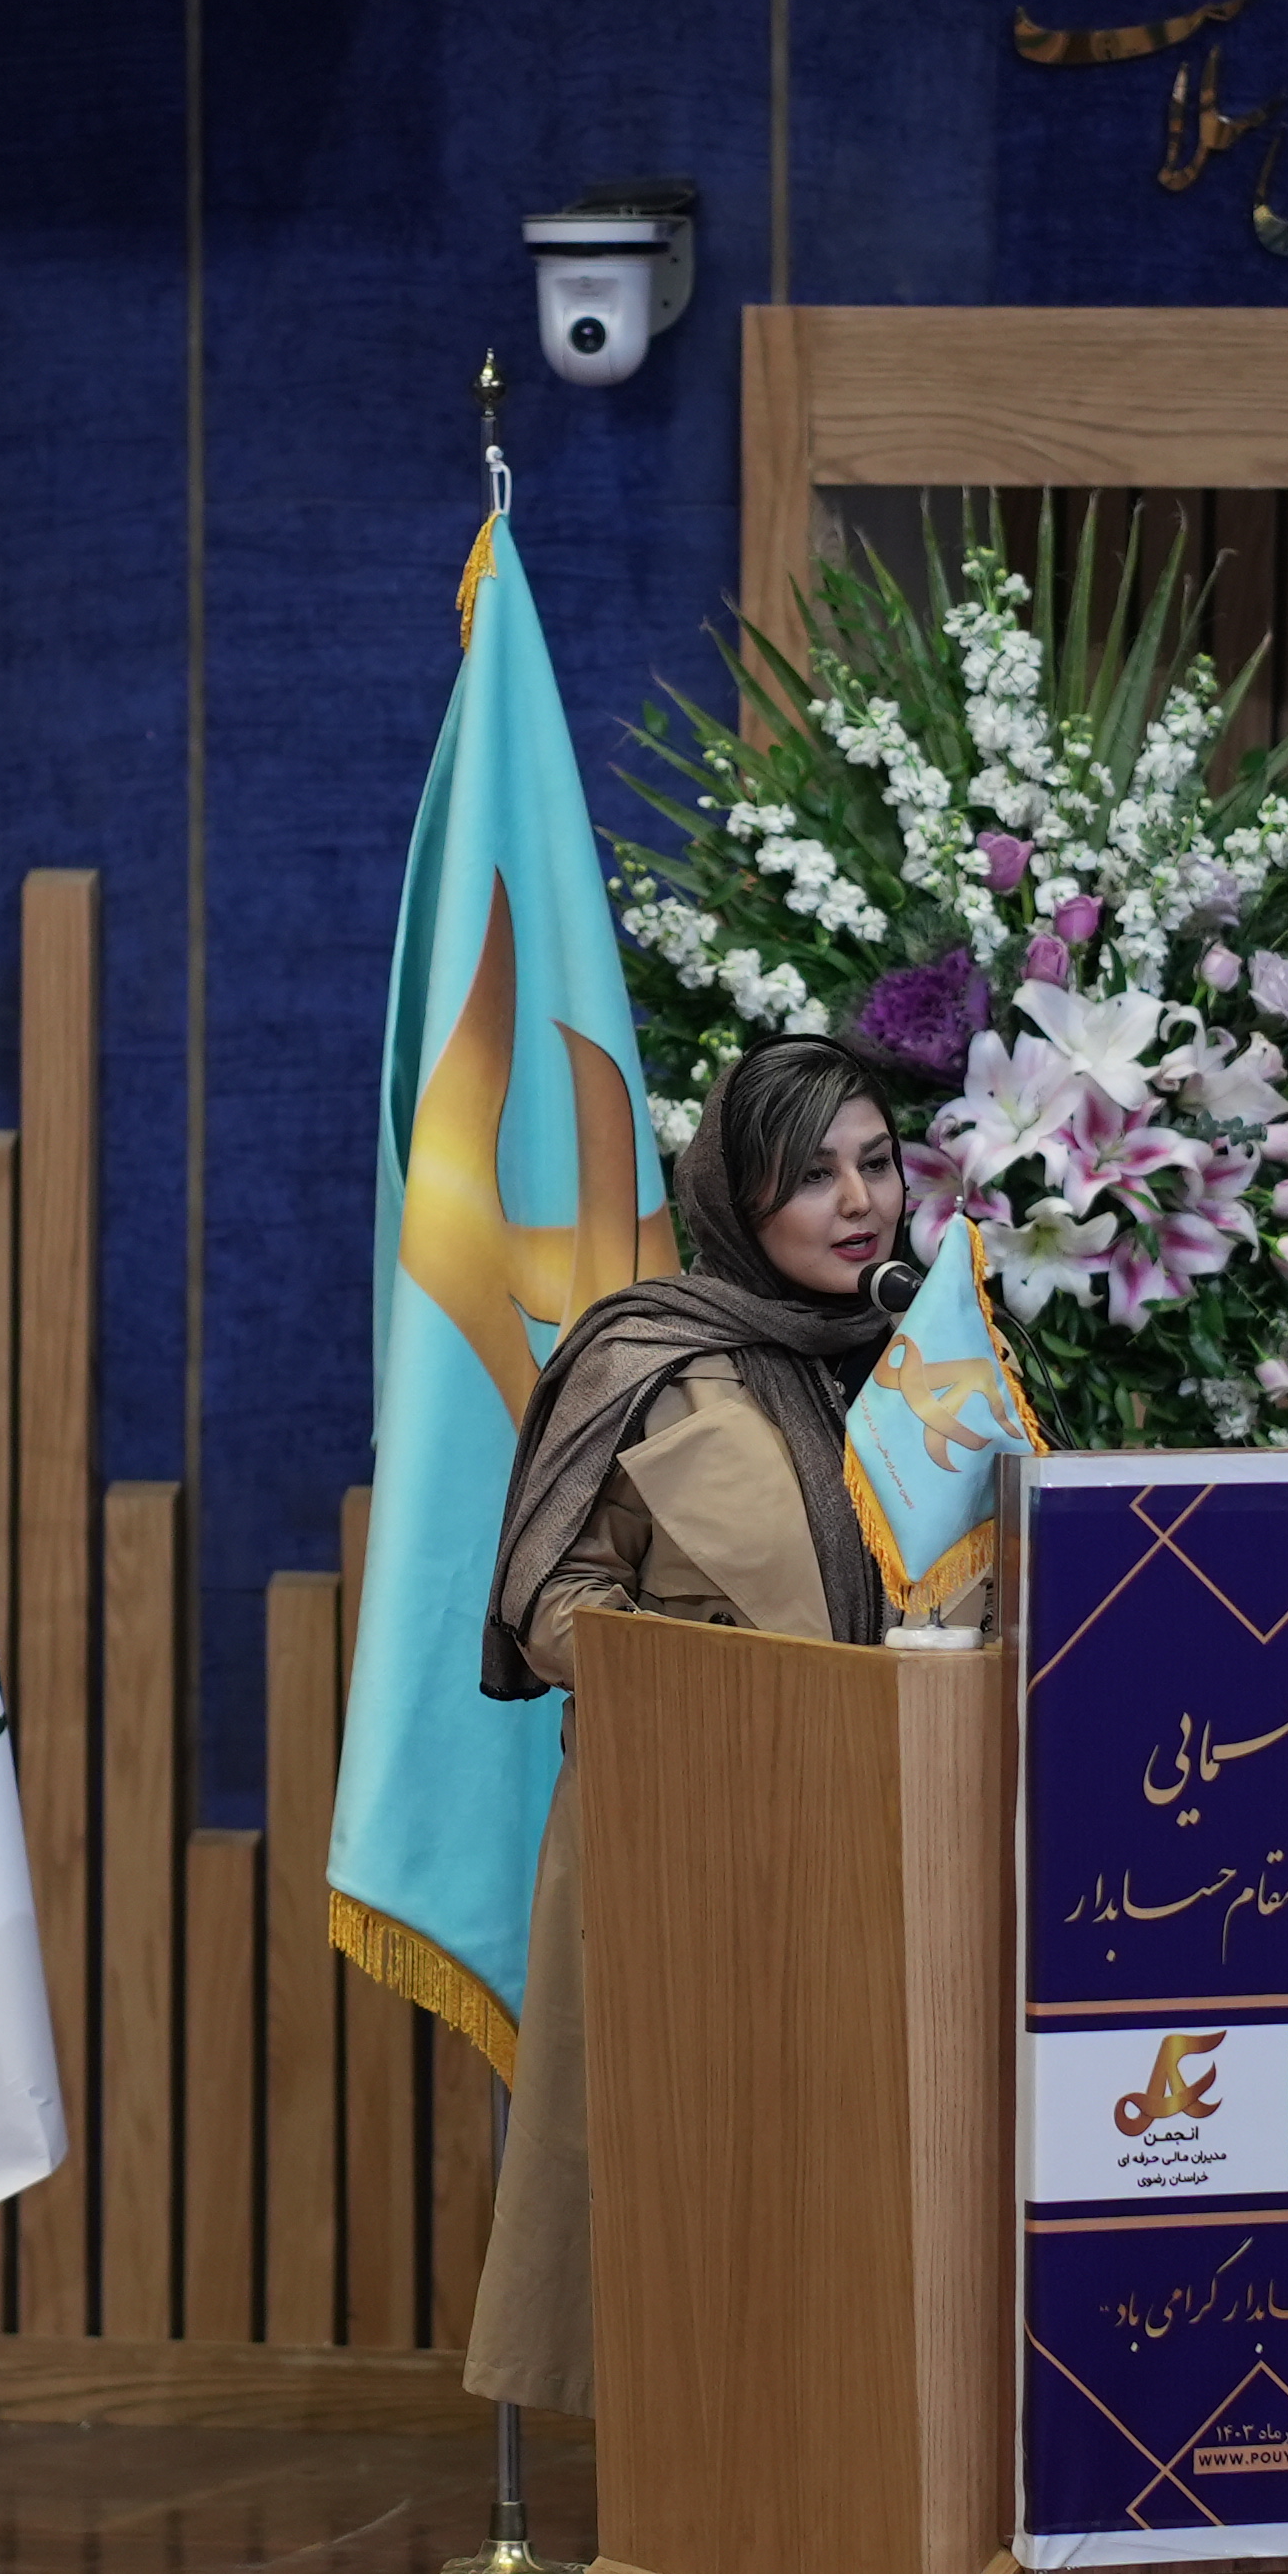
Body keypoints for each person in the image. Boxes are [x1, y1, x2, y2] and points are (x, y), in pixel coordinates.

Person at [460, 1034, 912, 2416]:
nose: (860, 1202)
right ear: (736, 1193)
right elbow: (547, 1600)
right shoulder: (645, 1355)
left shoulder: (932, 1359)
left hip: (902, 1835)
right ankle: (705, 2491)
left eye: (878, 1163)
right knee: (703, 2203)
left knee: (872, 2213)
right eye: (814, 1175)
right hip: (698, 1838)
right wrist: (720, 1674)